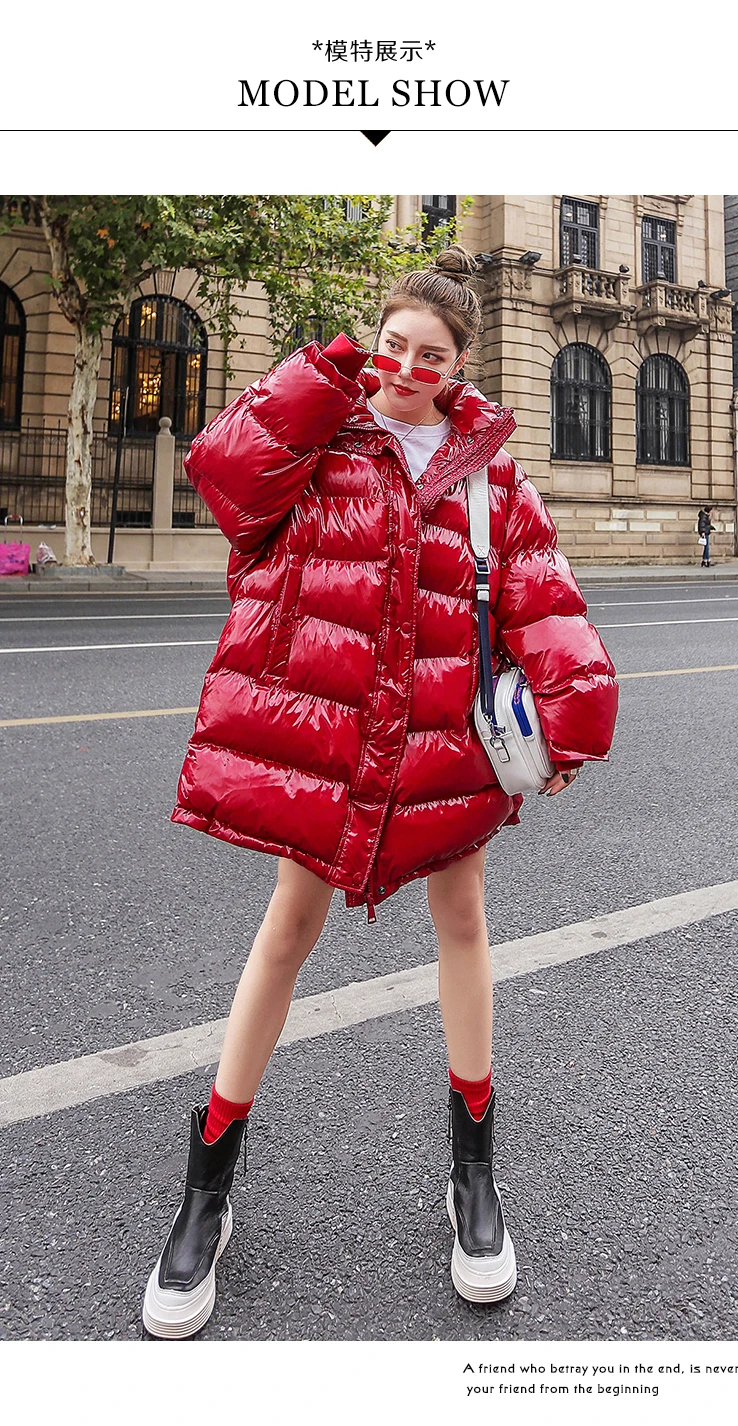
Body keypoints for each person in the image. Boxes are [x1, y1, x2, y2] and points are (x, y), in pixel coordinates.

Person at [141, 245, 619, 1339]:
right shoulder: (320, 435)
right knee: (285, 934)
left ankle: (474, 1179)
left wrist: (575, 716)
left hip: (444, 743)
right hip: (331, 739)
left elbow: (543, 599)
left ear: (460, 366)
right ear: (373, 343)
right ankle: (206, 1192)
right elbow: (225, 477)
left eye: (431, 354)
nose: (408, 366)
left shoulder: (489, 470)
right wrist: (323, 374)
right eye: (394, 345)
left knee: (465, 924)